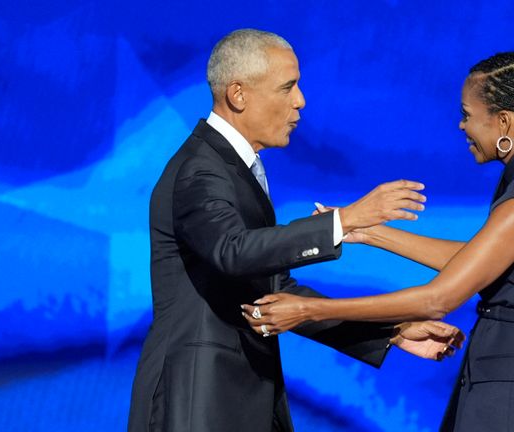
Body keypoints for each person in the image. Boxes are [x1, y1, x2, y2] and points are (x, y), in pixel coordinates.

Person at [242, 51, 514, 431]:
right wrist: (369, 233)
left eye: (468, 115)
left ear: (503, 121)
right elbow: (483, 259)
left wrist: (308, 311)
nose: (461, 126)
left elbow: (438, 299)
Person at [128, 29, 465, 432]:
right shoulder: (202, 169)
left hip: (244, 395)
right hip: (199, 398)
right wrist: (345, 220)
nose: (300, 101)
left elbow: (275, 294)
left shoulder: (235, 168)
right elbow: (232, 251)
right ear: (238, 95)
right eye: (287, 87)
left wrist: (390, 332)